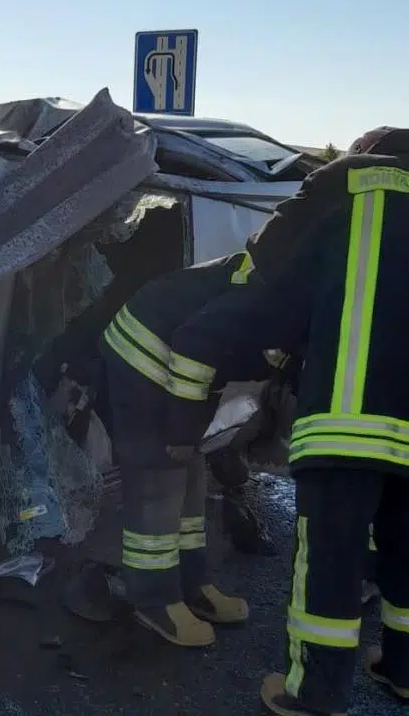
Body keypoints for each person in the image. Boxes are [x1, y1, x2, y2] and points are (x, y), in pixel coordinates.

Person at [244, 127, 409, 715]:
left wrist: (274, 349)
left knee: (330, 554)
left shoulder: (345, 181)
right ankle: (406, 673)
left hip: (345, 414)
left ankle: (315, 692)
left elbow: (268, 259)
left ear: (365, 152)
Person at [98, 249, 305, 647]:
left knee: (190, 467)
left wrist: (190, 434)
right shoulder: (283, 300)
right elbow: (196, 345)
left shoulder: (301, 300)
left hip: (182, 354)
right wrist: (180, 431)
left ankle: (191, 584)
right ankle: (154, 601)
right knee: (159, 473)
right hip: (144, 347)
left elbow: (219, 361)